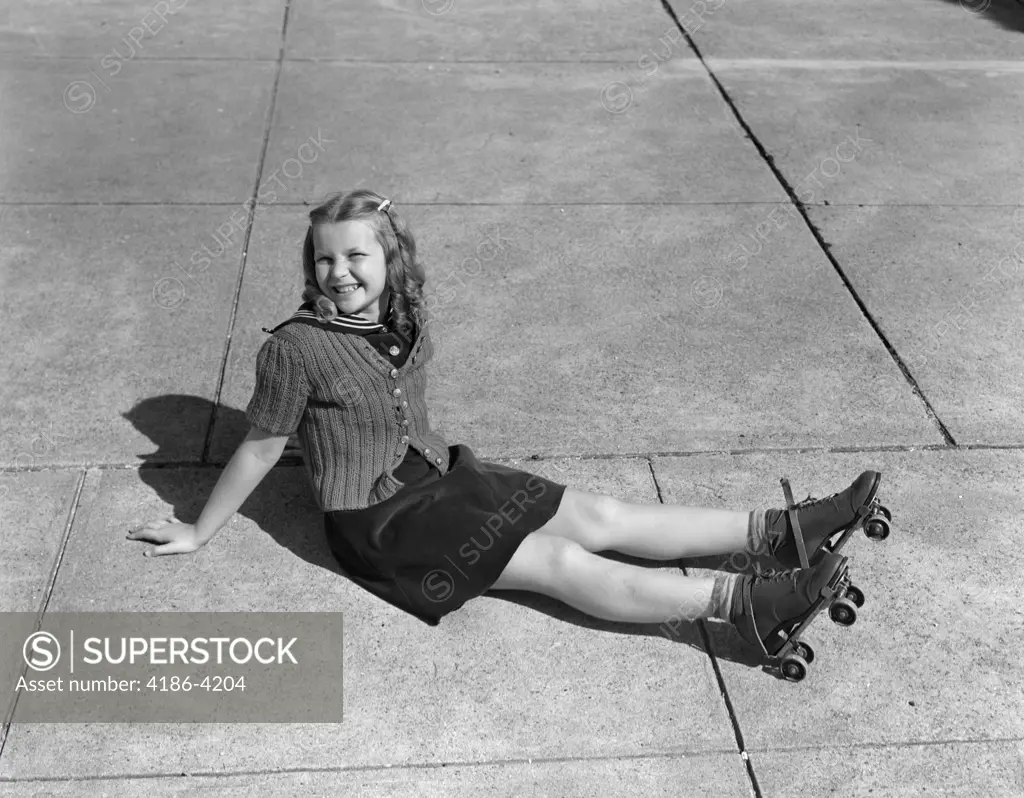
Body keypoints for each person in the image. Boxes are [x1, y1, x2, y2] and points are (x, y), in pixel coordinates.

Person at [128, 189, 883, 662]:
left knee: (600, 515)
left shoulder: (401, 316)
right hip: (381, 524)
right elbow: (261, 446)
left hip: (440, 478)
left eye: (356, 255)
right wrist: (199, 530)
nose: (339, 273)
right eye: (324, 261)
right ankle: (746, 608)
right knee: (559, 565)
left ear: (390, 260)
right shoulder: (295, 348)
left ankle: (779, 531)